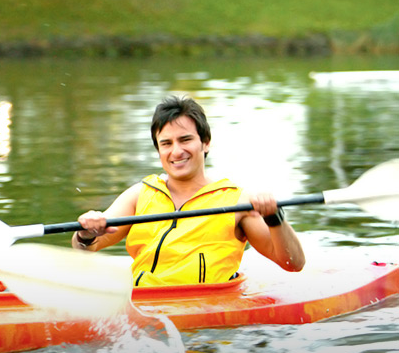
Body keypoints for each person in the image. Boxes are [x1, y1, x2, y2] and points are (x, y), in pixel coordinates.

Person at [71, 95, 305, 287]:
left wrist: (275, 218)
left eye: (185, 140)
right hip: (145, 308)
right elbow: (84, 249)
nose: (177, 151)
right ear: (158, 149)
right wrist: (86, 233)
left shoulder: (237, 202)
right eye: (166, 143)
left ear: (205, 142)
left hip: (206, 315)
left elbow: (293, 263)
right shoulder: (139, 195)